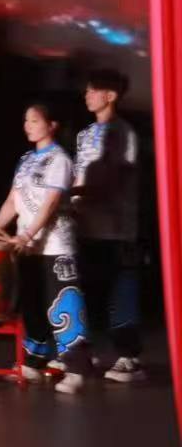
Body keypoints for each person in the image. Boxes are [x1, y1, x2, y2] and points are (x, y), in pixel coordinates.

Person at [0, 103, 94, 393]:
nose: (28, 126)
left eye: (34, 120)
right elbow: (12, 200)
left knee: (62, 303)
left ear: (52, 125)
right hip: (28, 245)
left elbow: (50, 203)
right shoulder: (26, 160)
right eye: (26, 120)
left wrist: (28, 235)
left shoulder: (59, 159)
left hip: (55, 245)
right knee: (32, 302)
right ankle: (34, 361)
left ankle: (77, 368)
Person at [73, 69, 145, 381]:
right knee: (87, 292)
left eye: (93, 90)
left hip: (116, 229)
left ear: (111, 95)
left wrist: (69, 193)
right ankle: (85, 354)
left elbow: (111, 179)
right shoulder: (85, 134)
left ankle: (129, 358)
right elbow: (80, 175)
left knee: (120, 292)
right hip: (85, 226)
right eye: (87, 90)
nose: (87, 95)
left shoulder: (123, 132)